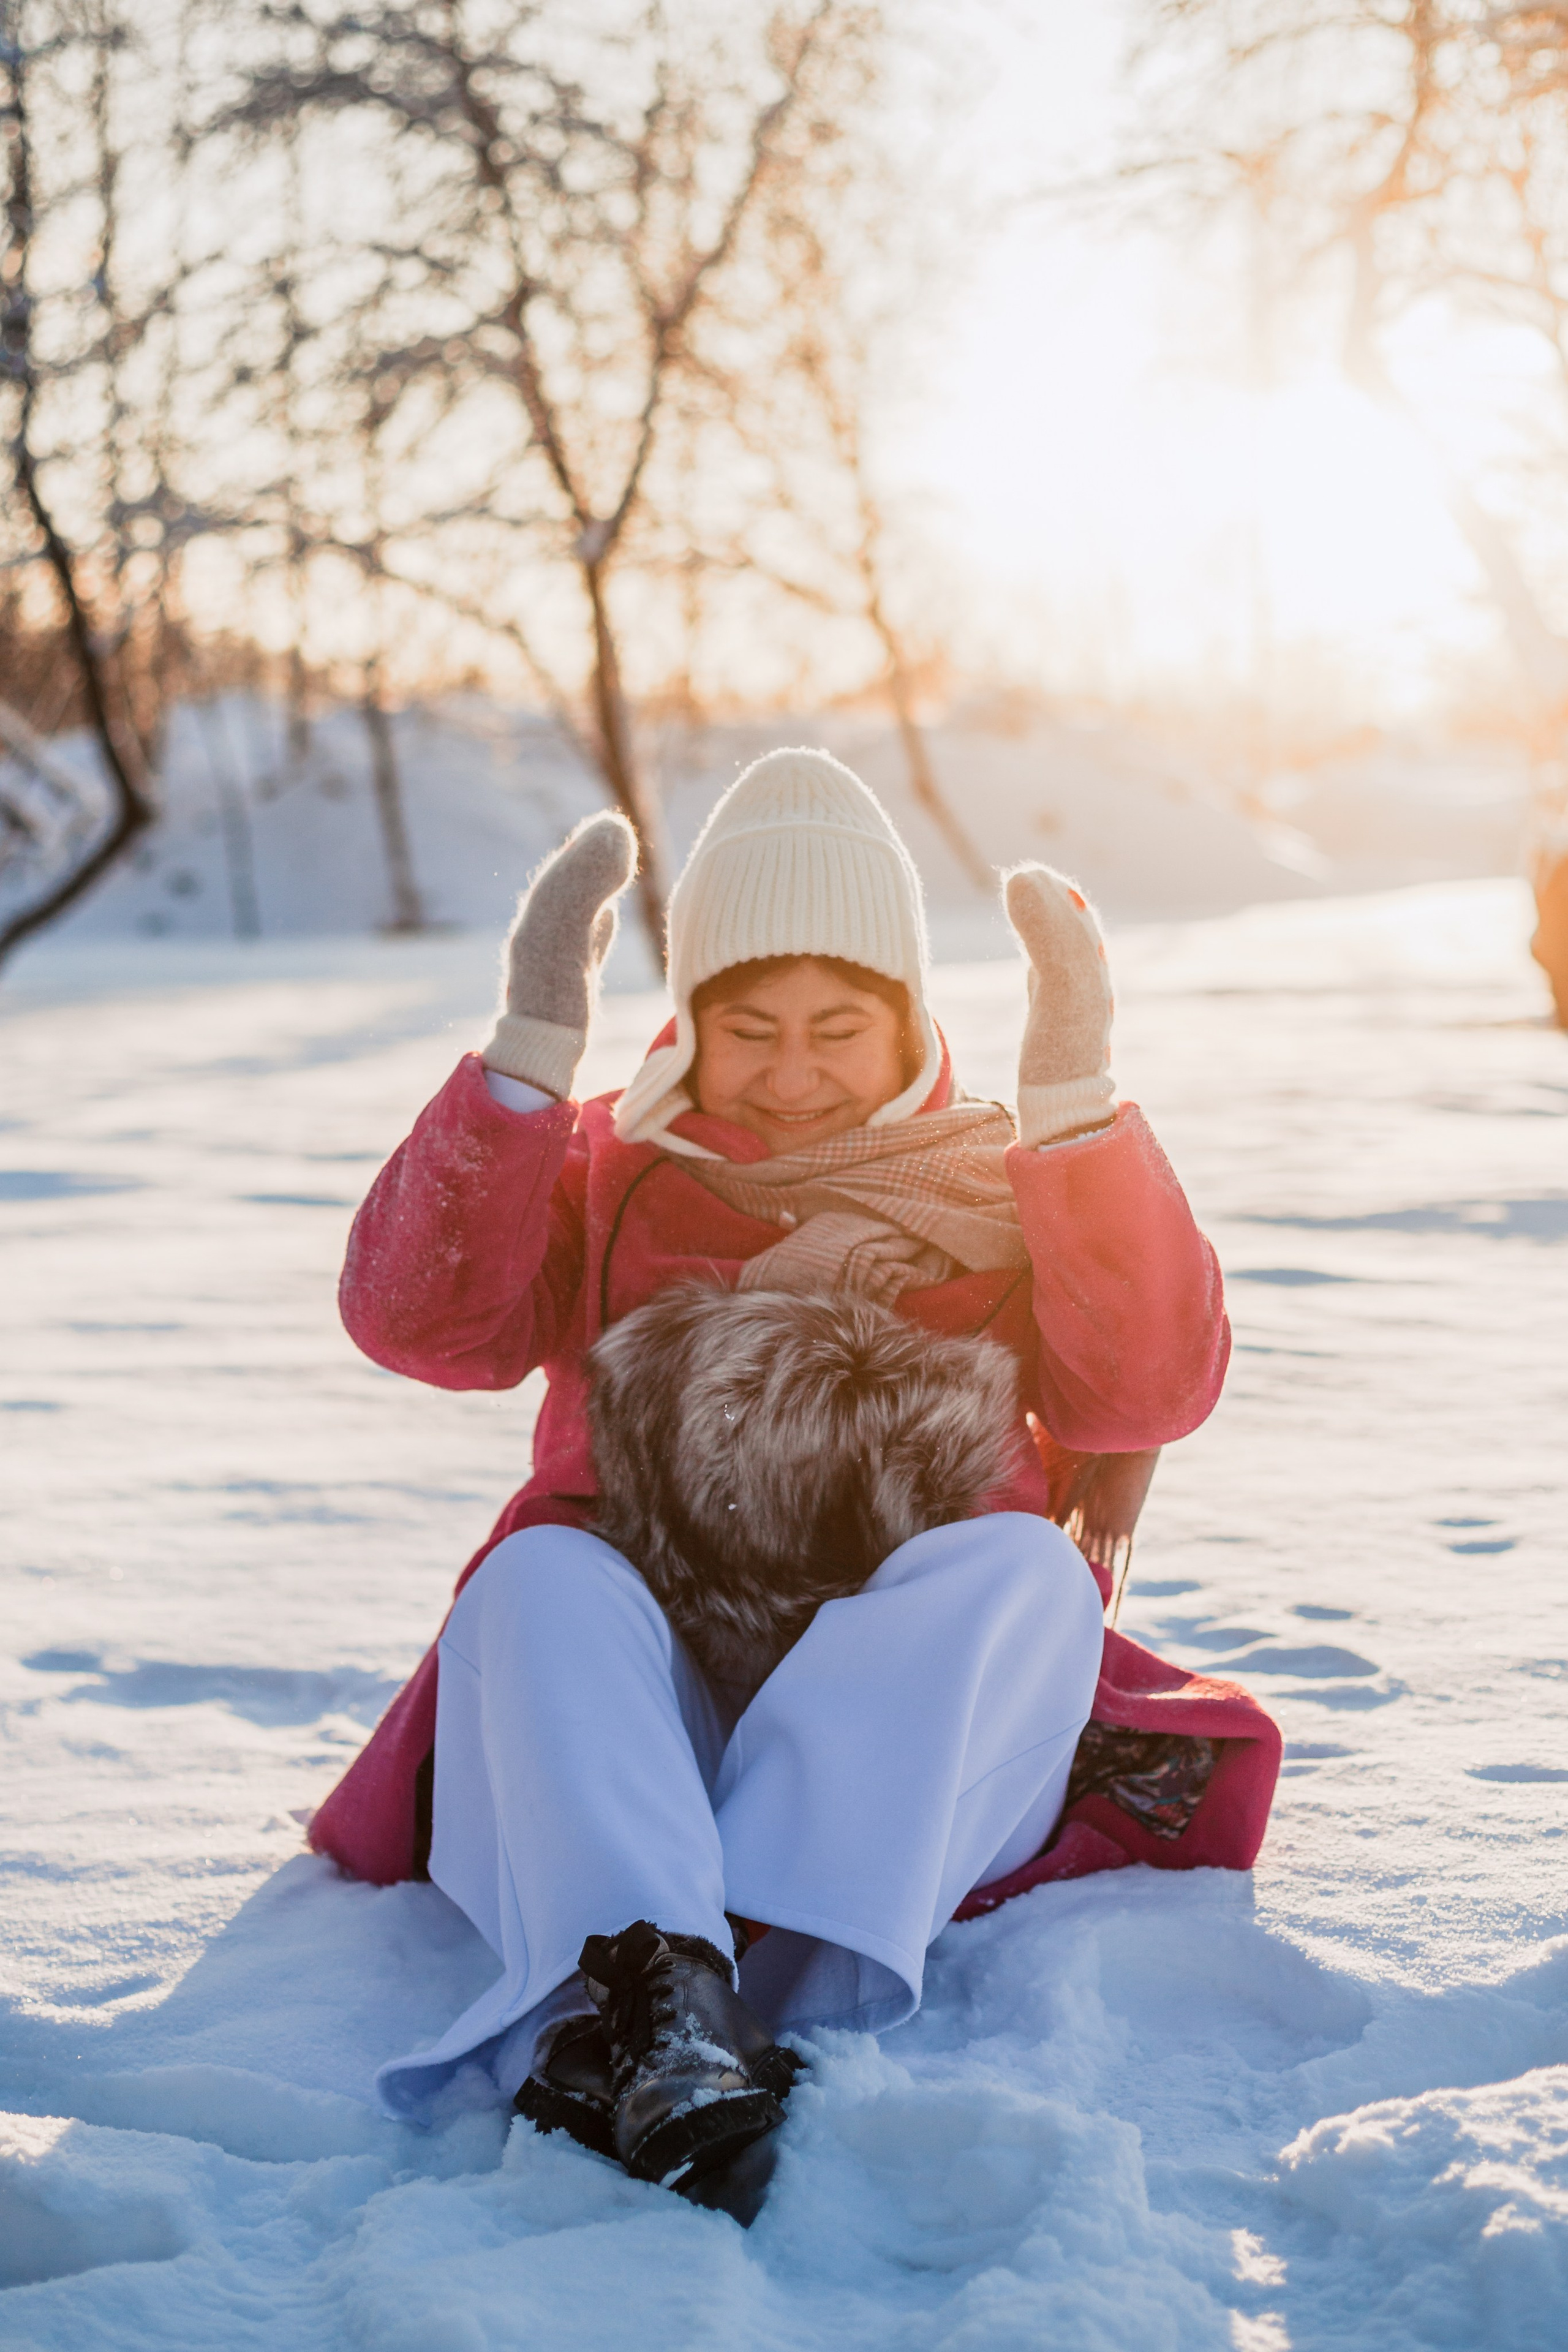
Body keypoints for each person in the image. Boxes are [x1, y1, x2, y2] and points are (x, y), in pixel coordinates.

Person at [314, 748, 1238, 2216]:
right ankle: (655, 2003)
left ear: (907, 1024)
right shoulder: (609, 1169)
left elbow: (1149, 1385)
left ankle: (770, 1969)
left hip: (905, 1760)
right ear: (688, 1022)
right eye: (749, 1030)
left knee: (1013, 1569)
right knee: (543, 1577)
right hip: (630, 1738)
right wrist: (528, 1059)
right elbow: (421, 1323)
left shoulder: (1007, 1187)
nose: (793, 1075)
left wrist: (1070, 1103)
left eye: (834, 1031)